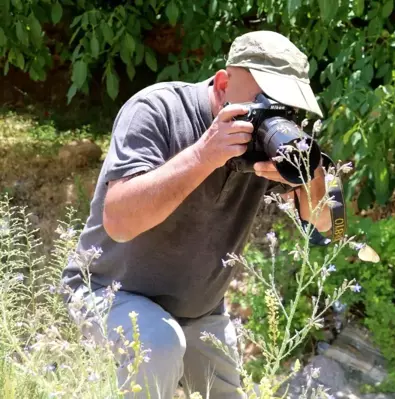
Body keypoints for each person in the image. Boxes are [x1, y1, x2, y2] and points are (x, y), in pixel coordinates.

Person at [60, 30, 332, 399]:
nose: (275, 119)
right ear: (222, 84)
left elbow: (324, 224)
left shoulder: (270, 144)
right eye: (264, 104)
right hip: (108, 291)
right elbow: (119, 221)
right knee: (158, 343)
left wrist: (309, 173)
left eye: (287, 109)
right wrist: (205, 155)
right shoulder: (157, 110)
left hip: (199, 311)